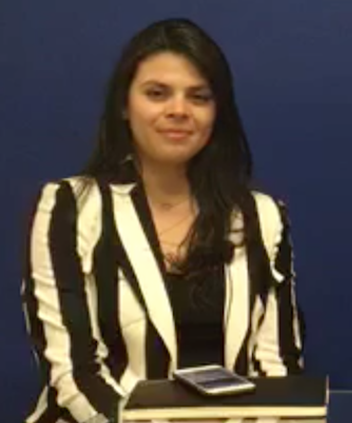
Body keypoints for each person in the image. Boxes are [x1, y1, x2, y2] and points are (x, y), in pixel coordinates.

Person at [21, 18, 303, 423]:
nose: (178, 110)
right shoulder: (70, 207)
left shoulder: (261, 216)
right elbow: (73, 376)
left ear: (217, 112)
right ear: (124, 105)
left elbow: (278, 368)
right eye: (157, 93)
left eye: (198, 97)